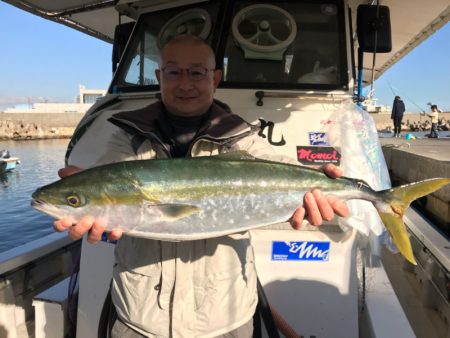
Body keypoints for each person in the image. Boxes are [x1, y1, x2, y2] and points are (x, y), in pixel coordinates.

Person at [54, 35, 348, 338]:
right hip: (140, 318)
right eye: (173, 71)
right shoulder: (127, 139)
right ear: (159, 76)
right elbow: (108, 178)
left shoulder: (241, 137)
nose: (185, 84)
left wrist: (317, 181)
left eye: (196, 72)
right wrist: (85, 194)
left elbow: (277, 167)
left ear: (215, 78)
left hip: (224, 318)